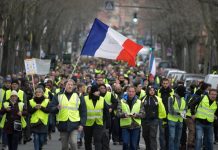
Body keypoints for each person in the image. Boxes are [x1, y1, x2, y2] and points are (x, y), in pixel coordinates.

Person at [49, 79, 87, 150]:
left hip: (75, 123)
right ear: (64, 86)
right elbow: (51, 108)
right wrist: (56, 108)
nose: (70, 86)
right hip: (62, 123)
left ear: (73, 86)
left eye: (71, 85)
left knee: (73, 143)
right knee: (64, 146)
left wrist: (82, 124)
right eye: (68, 85)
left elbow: (83, 111)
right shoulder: (58, 95)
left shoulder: (78, 96)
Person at [117, 86, 144, 150]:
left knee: (133, 145)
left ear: (135, 92)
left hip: (136, 125)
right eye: (129, 91)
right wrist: (124, 115)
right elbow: (118, 114)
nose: (131, 93)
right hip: (125, 125)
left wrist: (136, 115)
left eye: (133, 92)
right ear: (127, 92)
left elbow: (143, 114)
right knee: (125, 143)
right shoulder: (121, 101)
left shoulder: (139, 102)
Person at [83, 85, 109, 150]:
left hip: (98, 123)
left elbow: (106, 111)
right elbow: (81, 110)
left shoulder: (102, 99)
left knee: (98, 140)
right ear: (93, 92)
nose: (99, 92)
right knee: (87, 140)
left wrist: (104, 120)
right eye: (97, 91)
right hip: (87, 123)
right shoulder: (85, 98)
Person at [142, 86, 166, 150]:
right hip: (145, 120)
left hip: (154, 120)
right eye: (150, 90)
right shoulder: (143, 99)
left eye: (153, 90)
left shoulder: (158, 99)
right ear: (147, 91)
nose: (152, 91)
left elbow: (162, 109)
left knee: (153, 136)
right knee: (145, 135)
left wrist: (162, 118)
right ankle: (148, 148)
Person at [167, 85, 186, 150]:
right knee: (172, 137)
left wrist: (183, 114)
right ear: (179, 92)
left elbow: (185, 109)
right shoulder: (171, 98)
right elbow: (170, 110)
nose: (184, 94)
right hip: (172, 120)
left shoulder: (183, 99)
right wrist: (180, 113)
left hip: (180, 121)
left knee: (178, 138)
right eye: (183, 92)